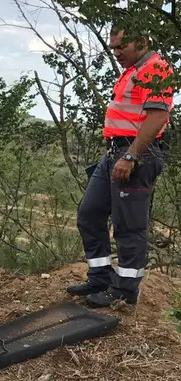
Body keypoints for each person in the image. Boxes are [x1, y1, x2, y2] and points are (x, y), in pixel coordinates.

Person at [67, 26, 174, 308]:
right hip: (115, 152)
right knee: (89, 213)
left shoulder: (156, 68)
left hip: (136, 155)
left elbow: (157, 117)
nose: (115, 54)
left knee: (128, 226)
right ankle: (101, 278)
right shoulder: (132, 70)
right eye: (112, 48)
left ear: (140, 39)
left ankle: (125, 291)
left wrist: (131, 156)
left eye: (119, 48)